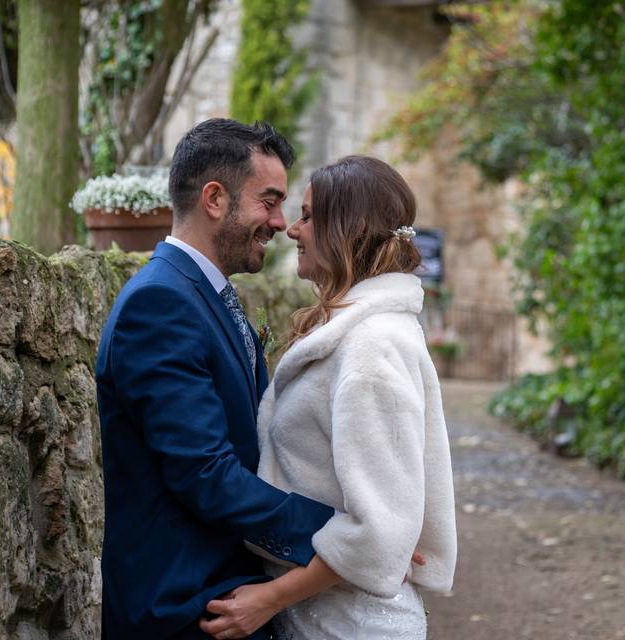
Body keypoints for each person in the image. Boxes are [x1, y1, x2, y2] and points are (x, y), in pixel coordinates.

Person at [198, 156, 457, 640]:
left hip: (351, 625)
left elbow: (381, 533)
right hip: (331, 614)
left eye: (309, 215)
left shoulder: (371, 348)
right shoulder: (356, 334)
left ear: (351, 229)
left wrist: (267, 600)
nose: (292, 229)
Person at [95, 118, 335, 639]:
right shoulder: (159, 304)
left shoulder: (202, 295)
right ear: (214, 199)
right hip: (182, 606)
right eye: (268, 201)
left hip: (218, 598)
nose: (279, 222)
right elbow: (204, 472)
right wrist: (339, 533)